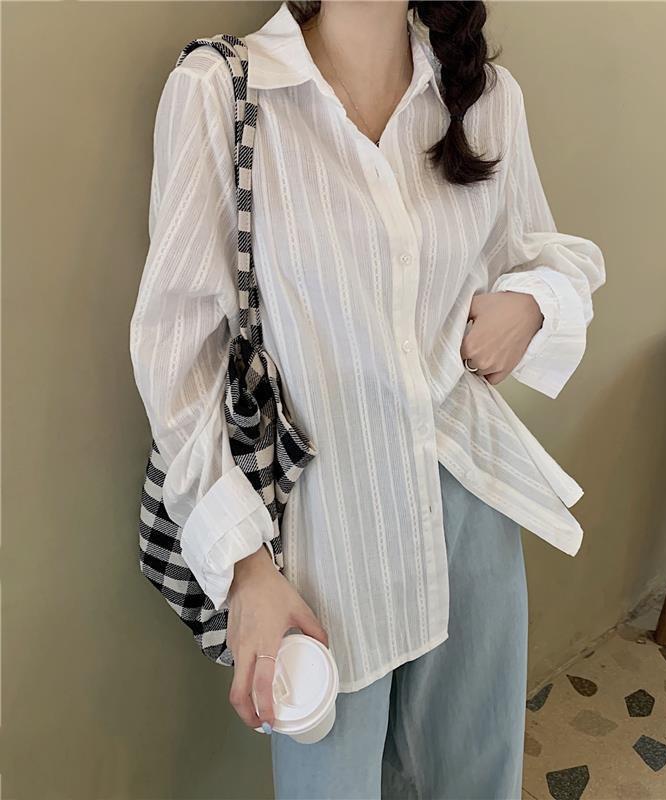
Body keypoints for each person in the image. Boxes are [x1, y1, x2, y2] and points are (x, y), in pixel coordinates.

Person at [129, 1, 605, 797]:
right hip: (322, 542)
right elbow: (177, 357)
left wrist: (534, 303)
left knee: (475, 775)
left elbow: (543, 253)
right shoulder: (223, 91)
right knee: (332, 784)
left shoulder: (484, 96)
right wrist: (245, 571)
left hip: (469, 507)